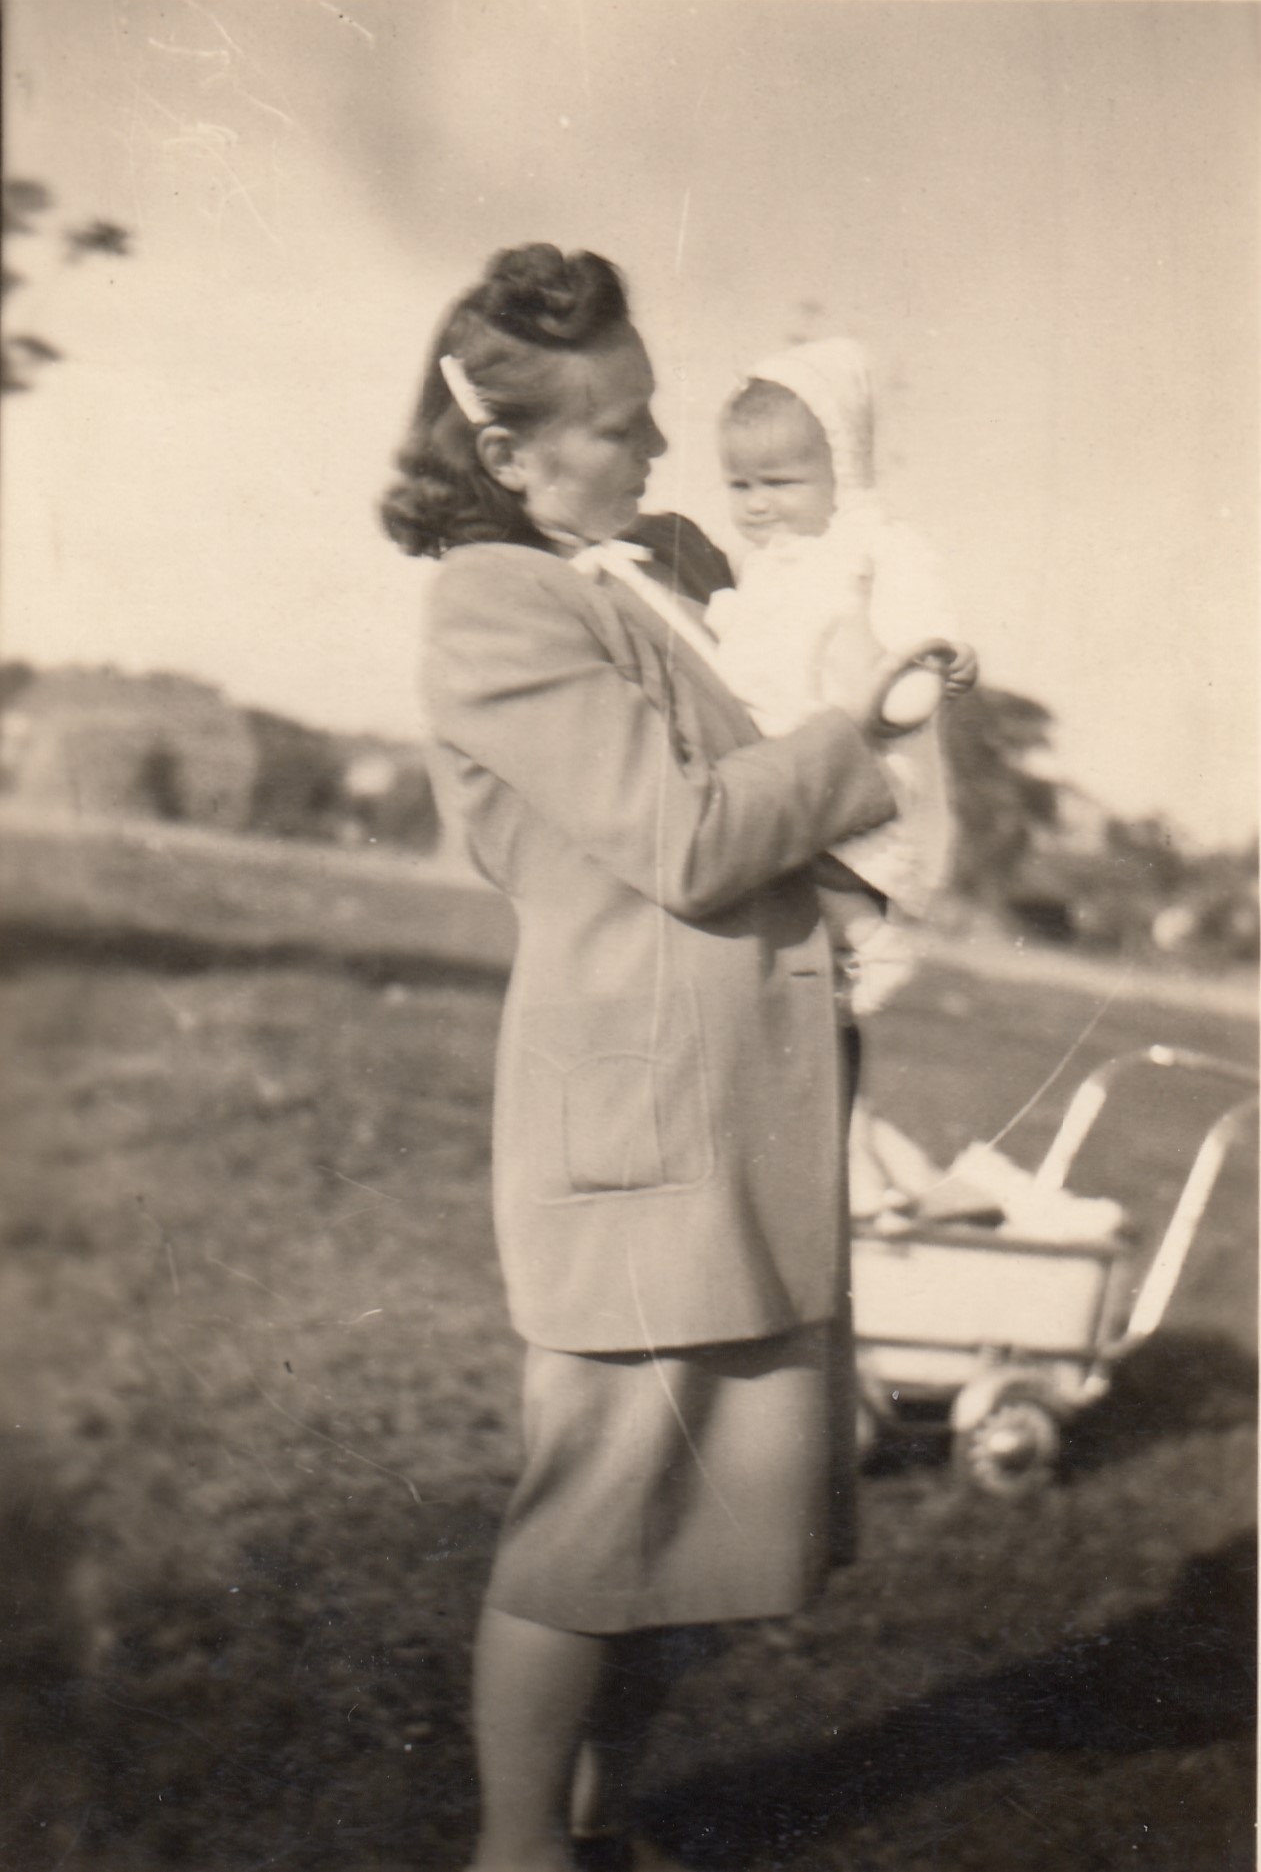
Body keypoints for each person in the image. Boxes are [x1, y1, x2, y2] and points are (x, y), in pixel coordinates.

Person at [381, 244, 898, 1872]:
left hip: (722, 1114)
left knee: (679, 1539)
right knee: (594, 1521)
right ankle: (519, 1846)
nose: (661, 449)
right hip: (643, 1127)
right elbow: (682, 838)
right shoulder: (495, 603)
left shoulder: (624, 578)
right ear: (504, 449)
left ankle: (596, 1821)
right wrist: (854, 735)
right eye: (621, 426)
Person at [707, 337, 978, 1024]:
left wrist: (938, 658)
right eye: (740, 486)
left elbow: (920, 620)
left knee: (824, 855)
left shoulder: (874, 545)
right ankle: (849, 955)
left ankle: (873, 942)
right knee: (787, 849)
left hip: (862, 744)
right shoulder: (764, 566)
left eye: (780, 484)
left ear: (841, 472)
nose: (757, 504)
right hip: (790, 747)